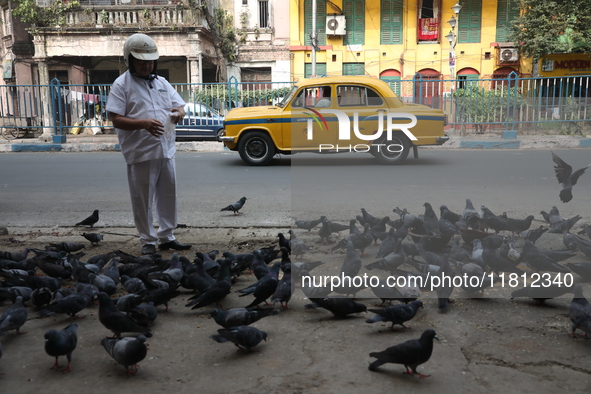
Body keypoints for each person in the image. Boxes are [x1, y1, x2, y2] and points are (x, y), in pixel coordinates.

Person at [106, 33, 191, 255]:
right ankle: (147, 241)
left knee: (168, 193)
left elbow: (180, 106)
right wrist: (143, 124)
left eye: (150, 60)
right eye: (141, 60)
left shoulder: (161, 82)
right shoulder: (121, 85)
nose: (147, 65)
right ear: (129, 59)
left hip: (166, 149)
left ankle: (167, 236)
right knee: (142, 198)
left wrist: (179, 113)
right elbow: (115, 119)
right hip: (140, 151)